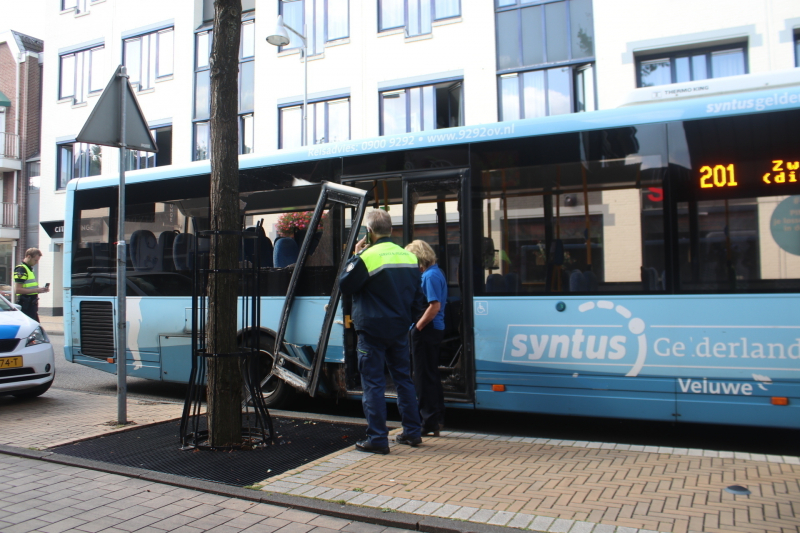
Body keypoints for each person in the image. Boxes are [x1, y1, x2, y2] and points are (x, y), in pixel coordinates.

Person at [339, 209, 425, 454]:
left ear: (369, 231)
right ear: (391, 230)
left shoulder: (367, 257)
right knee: (403, 380)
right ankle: (412, 432)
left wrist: (355, 255)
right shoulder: (408, 257)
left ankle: (377, 438)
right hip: (399, 329)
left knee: (373, 383)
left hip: (372, 330)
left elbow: (345, 285)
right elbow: (418, 298)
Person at [405, 240, 447, 437]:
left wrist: (417, 328)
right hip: (435, 329)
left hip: (427, 330)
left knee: (422, 377)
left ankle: (427, 421)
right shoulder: (437, 272)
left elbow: (434, 306)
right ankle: (437, 419)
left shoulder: (429, 276)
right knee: (431, 375)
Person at [15, 248, 49, 322]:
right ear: (28, 256)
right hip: (26, 304)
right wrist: (36, 290)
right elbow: (17, 290)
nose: (37, 262)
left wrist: (40, 290)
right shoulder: (21, 270)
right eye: (35, 260)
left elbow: (29, 287)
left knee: (35, 325)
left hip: (31, 304)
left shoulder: (29, 269)